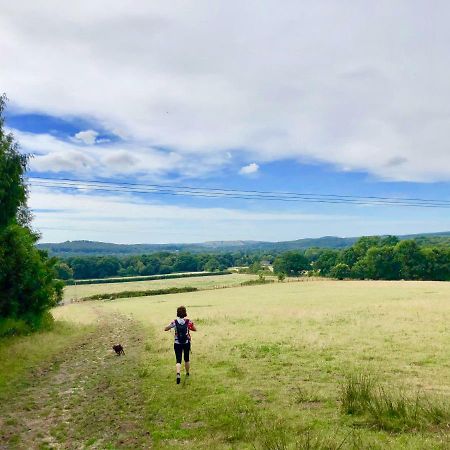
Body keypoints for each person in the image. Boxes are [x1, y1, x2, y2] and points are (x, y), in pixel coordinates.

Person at [164, 305, 197, 384]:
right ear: (185, 313)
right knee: (186, 358)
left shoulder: (174, 322)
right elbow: (195, 329)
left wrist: (170, 328)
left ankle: (178, 373)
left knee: (178, 359)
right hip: (186, 342)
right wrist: (189, 328)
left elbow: (165, 329)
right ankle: (187, 373)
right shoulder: (188, 321)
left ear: (177, 313)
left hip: (177, 343)